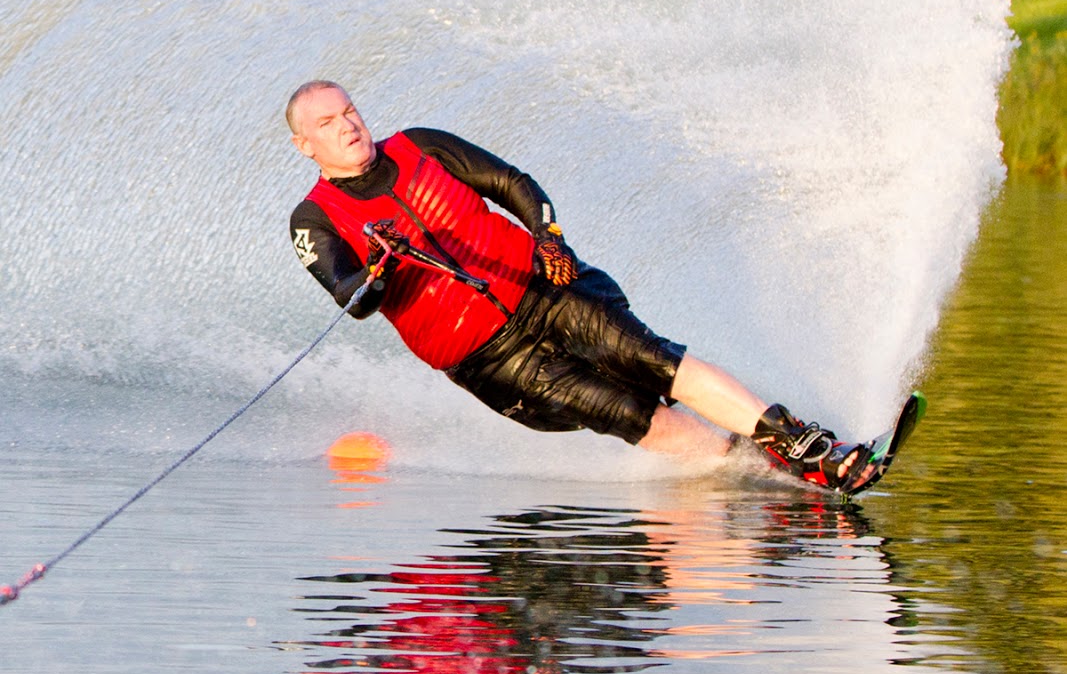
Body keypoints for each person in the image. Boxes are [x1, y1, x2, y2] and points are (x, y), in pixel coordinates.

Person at [286, 80, 879, 491]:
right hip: (491, 360)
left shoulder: (420, 145)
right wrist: (381, 266)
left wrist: (549, 238)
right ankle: (749, 466)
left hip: (543, 288)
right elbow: (354, 299)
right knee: (628, 413)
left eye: (350, 112)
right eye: (327, 123)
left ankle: (803, 446)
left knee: (652, 359)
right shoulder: (313, 219)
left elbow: (512, 183)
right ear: (305, 144)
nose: (348, 126)